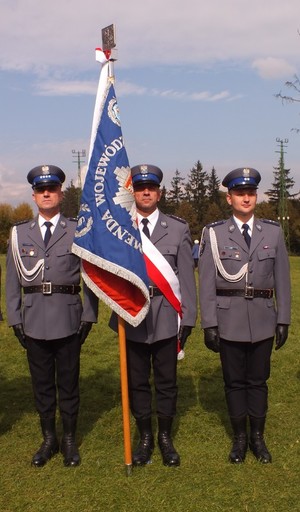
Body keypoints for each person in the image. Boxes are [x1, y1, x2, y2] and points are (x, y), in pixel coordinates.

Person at [6, 165, 98, 467]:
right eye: (41, 190)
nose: (47, 193)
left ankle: (69, 440)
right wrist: (15, 320)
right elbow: (11, 283)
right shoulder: (19, 234)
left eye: (52, 188)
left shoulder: (77, 230)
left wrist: (89, 315)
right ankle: (49, 439)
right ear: (34, 196)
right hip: (33, 320)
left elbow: (91, 277)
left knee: (69, 383)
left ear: (60, 193)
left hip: (69, 319)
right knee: (42, 384)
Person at [199, 167, 291, 464]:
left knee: (259, 381)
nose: (246, 198)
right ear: (230, 198)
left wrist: (284, 319)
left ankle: (258, 439)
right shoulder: (213, 234)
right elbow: (207, 284)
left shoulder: (273, 232)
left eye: (251, 193)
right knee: (234, 382)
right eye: (240, 194)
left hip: (263, 319)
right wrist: (209, 323)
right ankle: (239, 439)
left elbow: (283, 280)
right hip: (229, 321)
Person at [110, 164, 197, 467]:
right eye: (140, 187)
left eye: (151, 187)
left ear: (159, 192)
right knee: (137, 382)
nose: (146, 192)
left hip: (165, 315)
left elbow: (186, 278)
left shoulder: (178, 228)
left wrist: (188, 319)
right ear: (132, 192)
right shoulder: (119, 226)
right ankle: (145, 436)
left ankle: (165, 437)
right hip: (132, 314)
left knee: (167, 380)